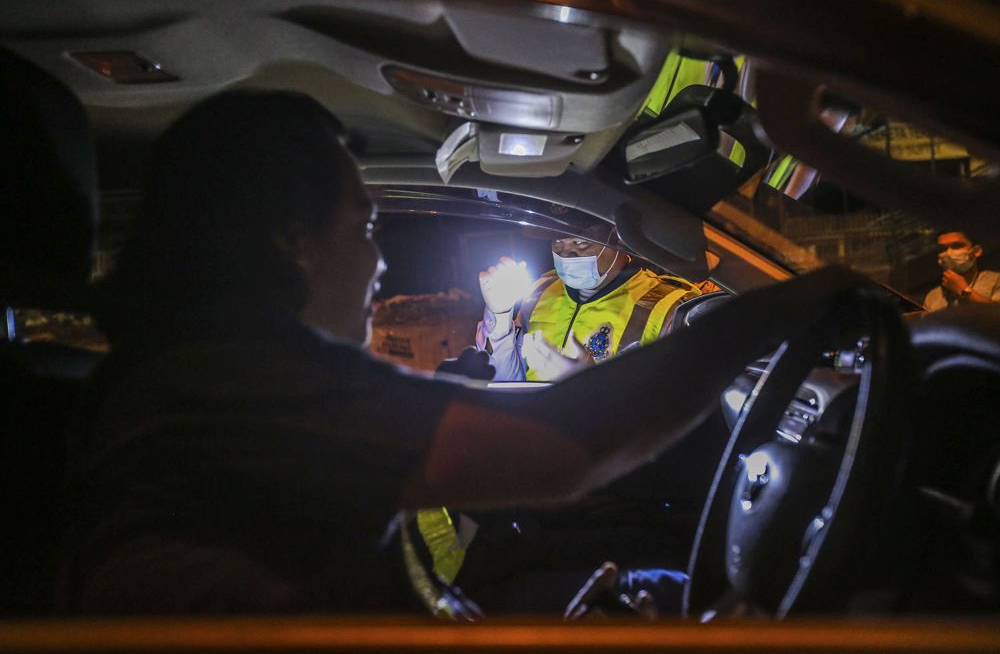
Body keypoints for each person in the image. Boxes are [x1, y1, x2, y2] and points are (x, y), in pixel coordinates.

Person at [61, 90, 867, 615]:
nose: (379, 262)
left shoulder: (193, 375)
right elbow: (562, 446)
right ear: (290, 241)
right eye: (365, 227)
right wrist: (784, 305)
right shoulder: (231, 383)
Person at [476, 226, 702, 382]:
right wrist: (500, 318)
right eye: (558, 242)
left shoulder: (668, 305)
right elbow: (508, 384)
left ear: (618, 237)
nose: (568, 254)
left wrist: (590, 388)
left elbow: (671, 411)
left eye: (581, 242)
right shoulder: (541, 290)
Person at [923, 231, 1000, 312]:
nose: (948, 253)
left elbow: (997, 314)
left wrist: (963, 290)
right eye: (943, 248)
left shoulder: (996, 280)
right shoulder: (932, 297)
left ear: (976, 251)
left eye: (957, 246)